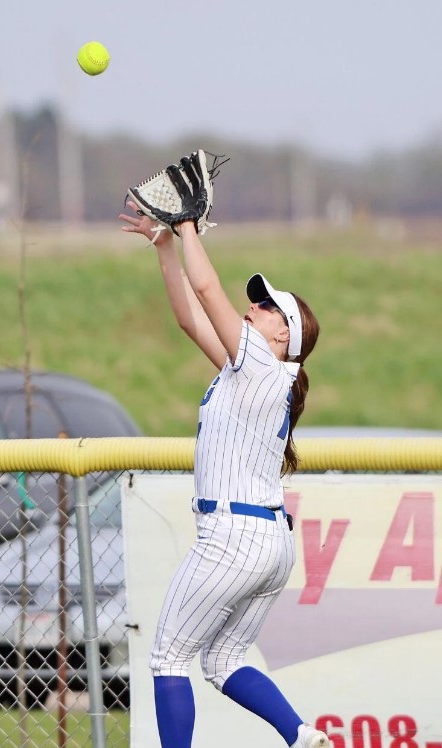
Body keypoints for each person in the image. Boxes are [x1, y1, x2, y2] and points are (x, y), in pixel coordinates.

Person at [119, 194, 327, 748]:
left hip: (233, 537)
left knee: (168, 656)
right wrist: (165, 243)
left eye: (266, 309)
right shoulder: (251, 370)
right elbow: (190, 316)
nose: (252, 307)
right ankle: (300, 735)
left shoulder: (264, 363)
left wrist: (188, 226)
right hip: (270, 542)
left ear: (284, 338)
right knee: (223, 659)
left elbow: (207, 292)